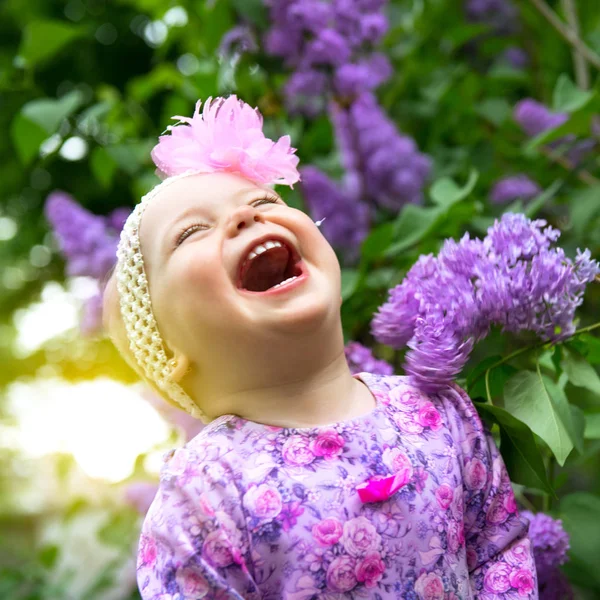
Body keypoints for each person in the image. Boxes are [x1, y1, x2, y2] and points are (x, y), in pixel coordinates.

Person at [103, 96, 538, 599]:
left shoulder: (438, 410)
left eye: (265, 202)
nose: (247, 217)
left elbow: (497, 549)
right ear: (169, 349)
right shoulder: (202, 496)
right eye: (193, 231)